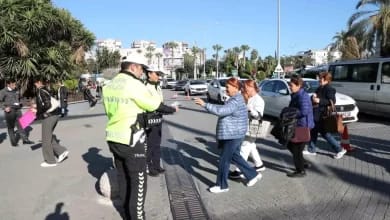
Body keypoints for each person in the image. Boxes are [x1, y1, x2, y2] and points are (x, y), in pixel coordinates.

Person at [103, 56, 161, 220]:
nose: (143, 72)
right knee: (138, 180)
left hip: (113, 137)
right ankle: (137, 217)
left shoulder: (109, 85)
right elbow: (154, 104)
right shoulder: (134, 84)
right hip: (131, 139)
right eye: (142, 68)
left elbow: (109, 111)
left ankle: (127, 214)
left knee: (123, 177)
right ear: (134, 67)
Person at [194, 77, 262, 193]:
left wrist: (205, 105)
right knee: (235, 157)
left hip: (232, 135)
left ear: (235, 88)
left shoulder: (236, 100)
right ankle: (253, 174)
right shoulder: (236, 98)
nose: (225, 89)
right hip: (234, 134)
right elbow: (225, 109)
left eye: (227, 87)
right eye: (225, 87)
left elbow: (221, 111)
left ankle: (222, 185)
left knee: (224, 160)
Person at [303, 72, 347, 159]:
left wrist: (319, 101)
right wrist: (313, 96)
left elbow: (332, 101)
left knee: (325, 133)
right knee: (314, 131)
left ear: (325, 79)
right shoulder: (320, 87)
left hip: (323, 115)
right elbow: (315, 96)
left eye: (320, 78)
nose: (319, 79)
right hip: (317, 114)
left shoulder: (329, 89)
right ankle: (311, 149)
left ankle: (340, 149)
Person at [144, 65, 178, 177]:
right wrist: (171, 110)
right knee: (150, 144)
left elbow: (160, 103)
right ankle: (148, 167)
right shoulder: (145, 86)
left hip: (158, 117)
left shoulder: (157, 86)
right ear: (149, 74)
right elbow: (152, 105)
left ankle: (156, 165)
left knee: (157, 143)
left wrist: (167, 108)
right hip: (149, 118)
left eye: (159, 74)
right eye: (156, 74)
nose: (158, 76)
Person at [229, 79, 265, 179]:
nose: (245, 89)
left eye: (246, 87)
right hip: (245, 126)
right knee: (251, 146)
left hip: (252, 127)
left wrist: (250, 109)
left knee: (244, 148)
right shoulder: (249, 97)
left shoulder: (259, 100)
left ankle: (239, 170)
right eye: (244, 87)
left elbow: (258, 115)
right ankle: (259, 164)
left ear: (252, 87)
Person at [31, 77, 69, 167]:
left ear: (39, 82)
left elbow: (47, 104)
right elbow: (46, 102)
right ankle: (61, 152)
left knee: (45, 140)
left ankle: (50, 161)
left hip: (48, 117)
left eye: (35, 83)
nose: (35, 85)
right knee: (49, 137)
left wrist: (37, 111)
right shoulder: (46, 89)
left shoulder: (41, 91)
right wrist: (38, 106)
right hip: (54, 116)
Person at [286, 75, 314, 177]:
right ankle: (303, 163)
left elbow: (304, 111)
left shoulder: (302, 96)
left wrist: (291, 113)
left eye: (291, 85)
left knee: (296, 149)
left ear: (298, 85)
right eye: (289, 85)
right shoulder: (296, 94)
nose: (290, 87)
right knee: (291, 145)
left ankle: (300, 171)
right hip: (298, 125)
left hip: (303, 126)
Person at [0, 78, 34, 146]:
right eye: (13, 85)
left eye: (15, 84)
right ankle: (13, 142)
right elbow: (0, 101)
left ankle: (25, 140)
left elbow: (20, 98)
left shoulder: (16, 90)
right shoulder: (3, 91)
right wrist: (5, 107)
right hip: (10, 110)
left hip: (18, 110)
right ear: (8, 84)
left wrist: (21, 103)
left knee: (21, 124)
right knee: (11, 127)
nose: (14, 86)